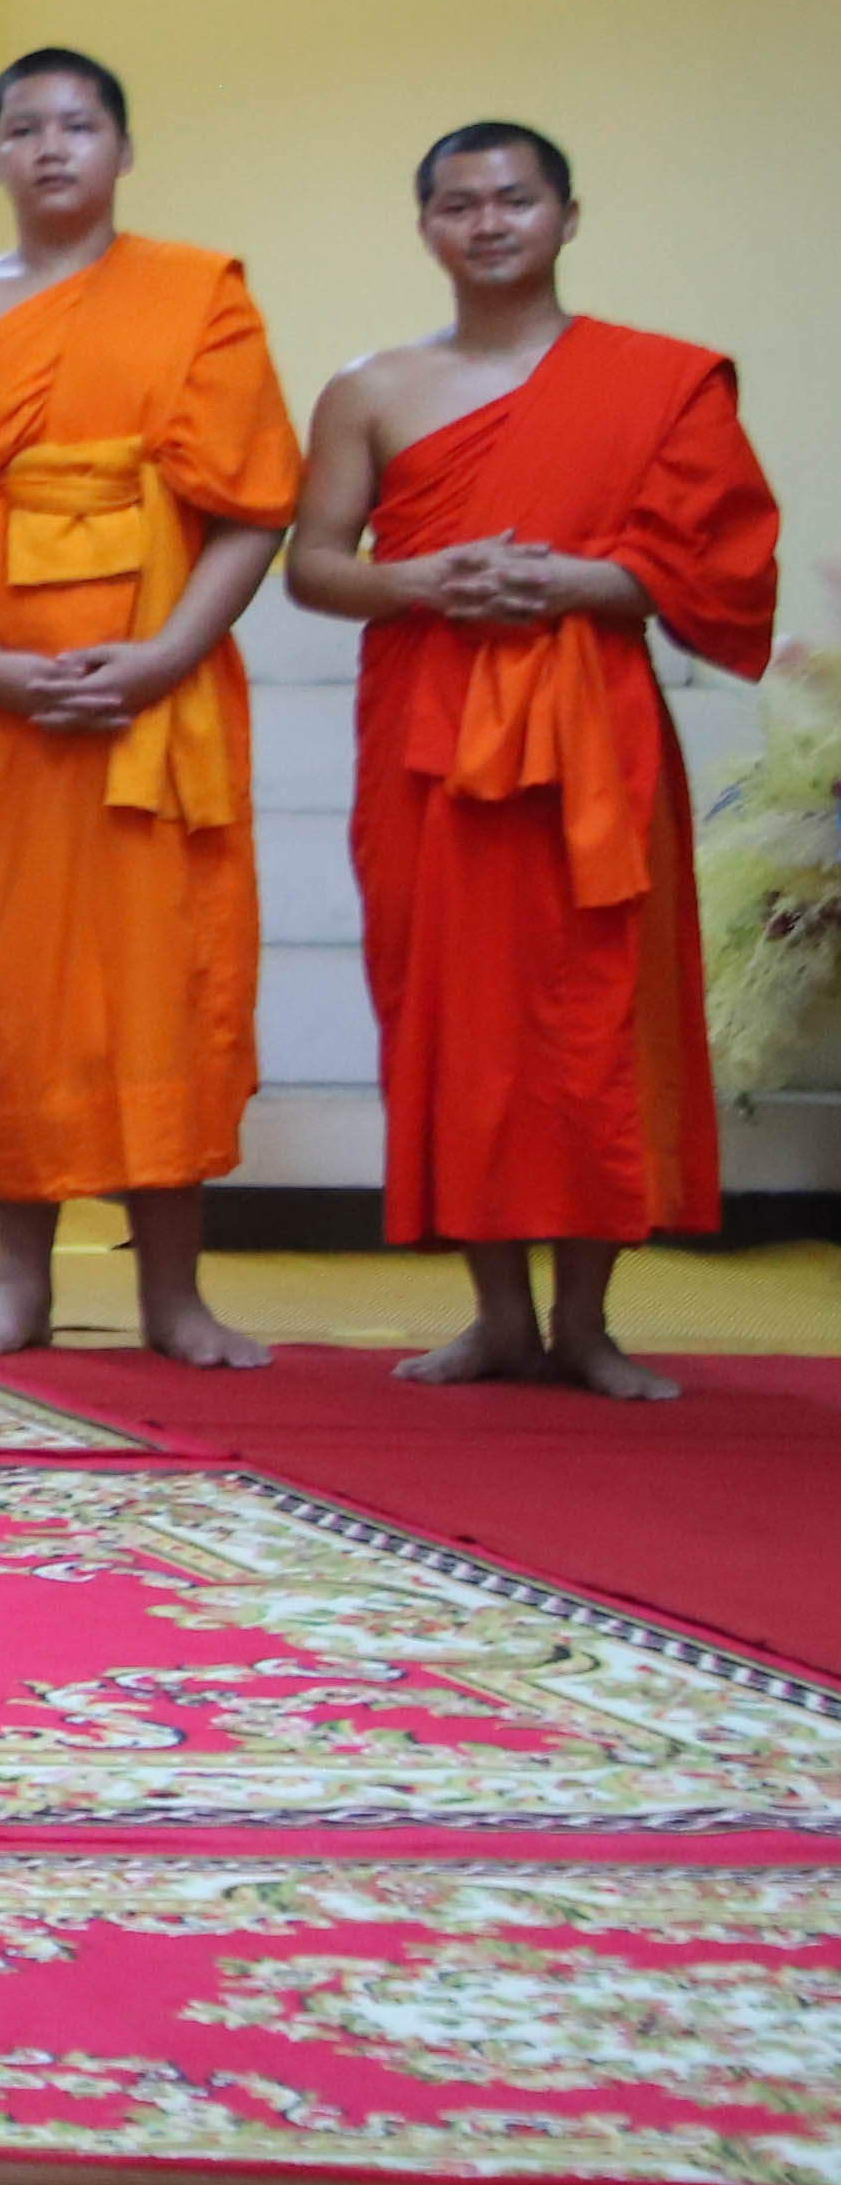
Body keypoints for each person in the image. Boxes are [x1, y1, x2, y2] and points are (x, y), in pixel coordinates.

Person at [289, 123, 783, 1399]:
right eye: (461, 204)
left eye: (516, 199)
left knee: (594, 1015)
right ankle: (497, 1317)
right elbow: (316, 566)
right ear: (426, 230)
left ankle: (588, 1324)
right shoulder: (371, 389)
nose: (490, 222)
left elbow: (720, 569)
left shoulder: (659, 382)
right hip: (430, 737)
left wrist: (576, 581)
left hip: (592, 732)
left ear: (567, 217)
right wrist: (424, 581)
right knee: (457, 1020)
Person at [0, 50, 299, 1369]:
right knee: (13, 990)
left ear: (122, 148)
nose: (50, 147)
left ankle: (175, 1295)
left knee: (168, 980)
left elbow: (254, 509)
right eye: (23, 128)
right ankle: (17, 1286)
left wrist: (165, 654)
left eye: (78, 124)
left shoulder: (197, 300)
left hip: (156, 705)